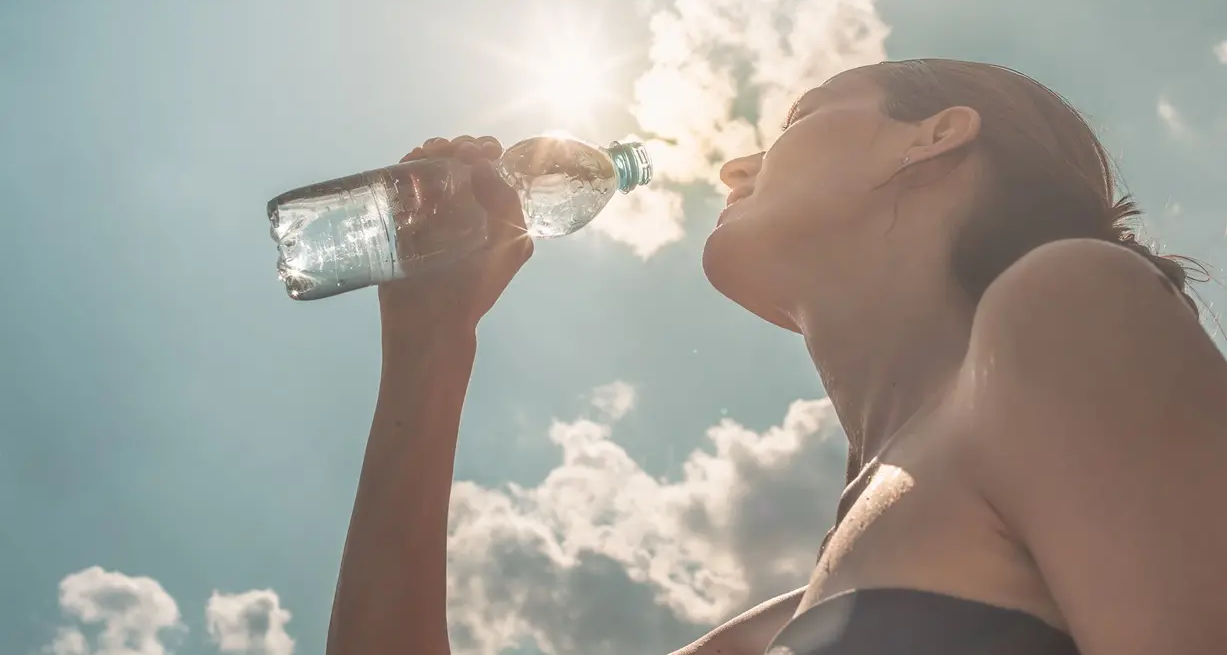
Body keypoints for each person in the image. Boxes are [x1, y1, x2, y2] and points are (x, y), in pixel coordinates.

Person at [325, 59, 1227, 655]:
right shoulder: (781, 625)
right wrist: (430, 342)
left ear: (936, 134)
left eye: (798, 117)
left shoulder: (1070, 302)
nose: (733, 169)